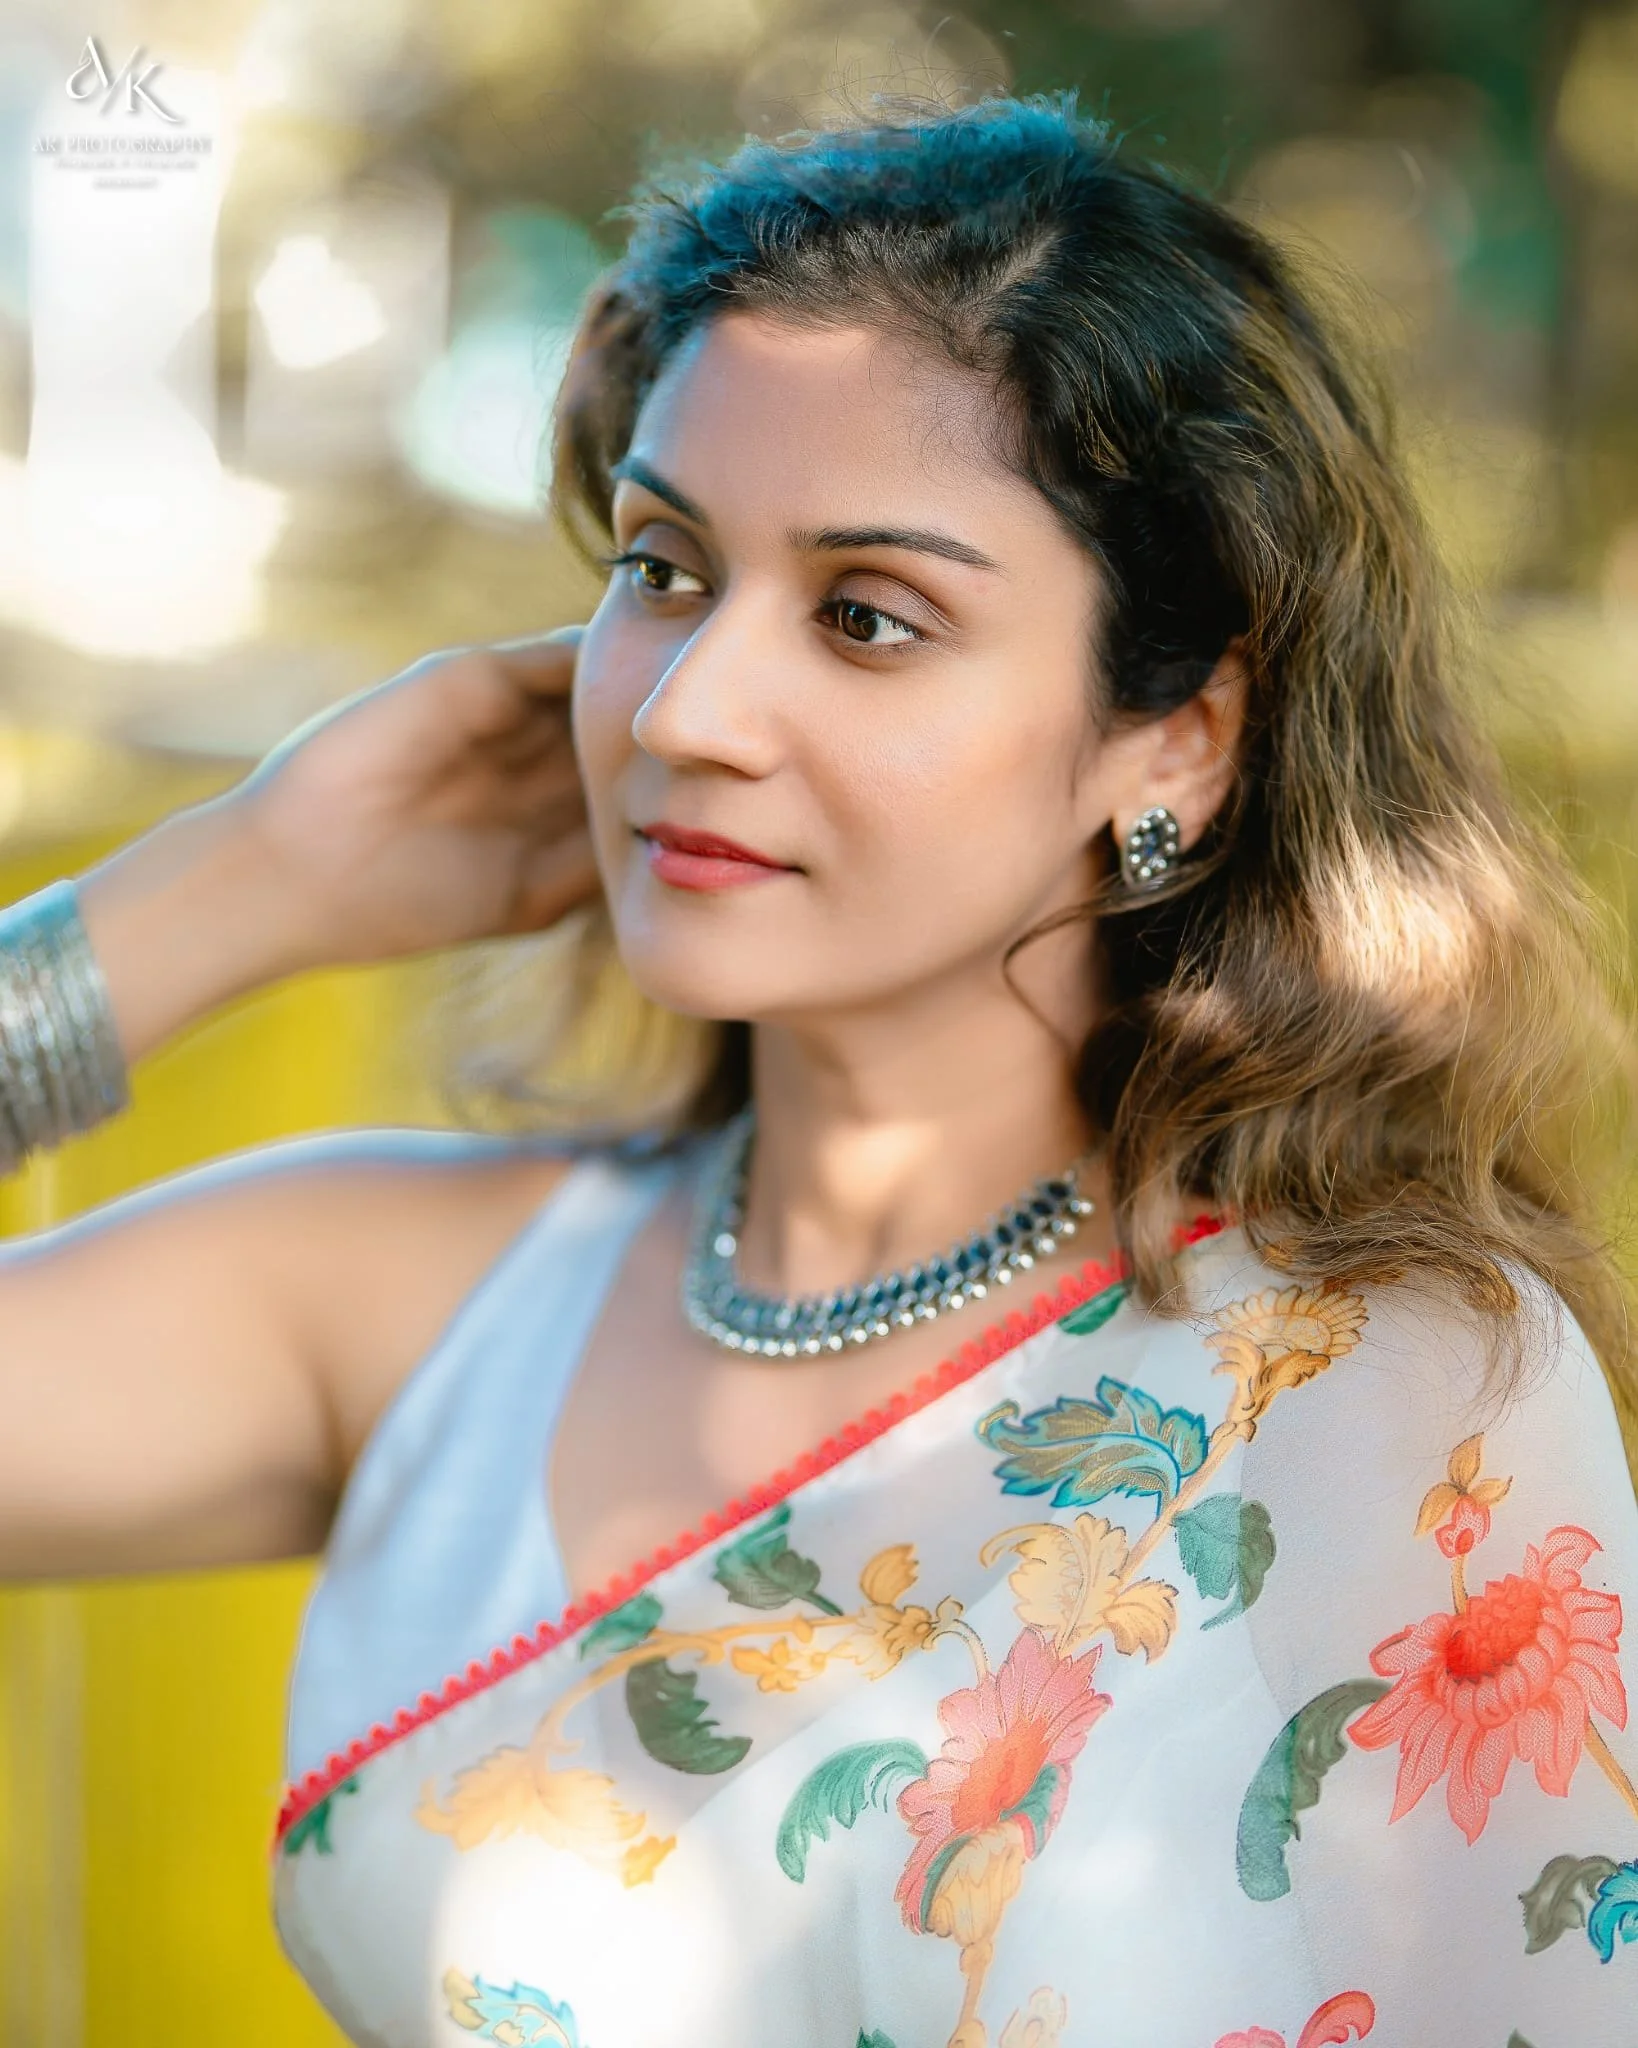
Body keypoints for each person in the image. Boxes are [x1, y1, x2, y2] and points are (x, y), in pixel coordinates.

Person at [2, 93, 1636, 2048]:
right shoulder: (418, 1299)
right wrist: (232, 888)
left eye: (868, 616)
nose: (685, 709)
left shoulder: (1381, 1392)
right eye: (662, 568)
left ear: (1175, 740)